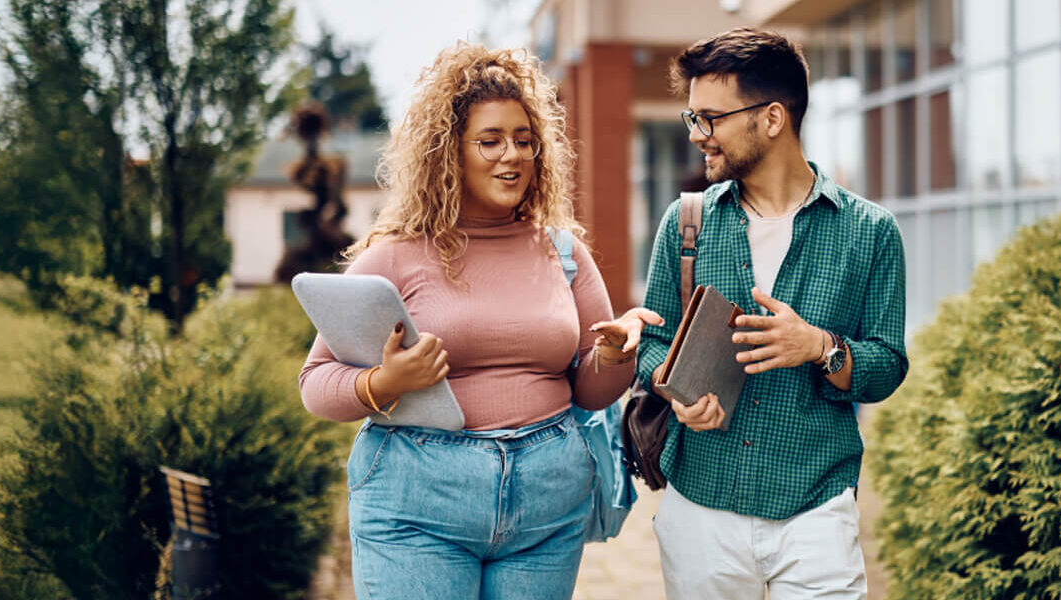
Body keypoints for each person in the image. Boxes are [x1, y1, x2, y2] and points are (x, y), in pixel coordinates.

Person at [297, 41, 660, 600]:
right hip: (418, 503)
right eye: (489, 141)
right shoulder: (396, 256)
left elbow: (590, 393)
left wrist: (614, 355)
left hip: (547, 504)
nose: (510, 155)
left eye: (523, 140)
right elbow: (316, 384)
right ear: (449, 153)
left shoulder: (563, 252)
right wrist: (386, 382)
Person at [636, 27, 910, 600]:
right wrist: (672, 388)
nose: (698, 136)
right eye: (693, 119)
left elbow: (887, 365)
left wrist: (820, 347)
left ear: (771, 118)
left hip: (816, 511)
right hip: (700, 508)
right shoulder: (686, 223)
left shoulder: (870, 232)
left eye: (710, 118)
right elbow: (652, 342)